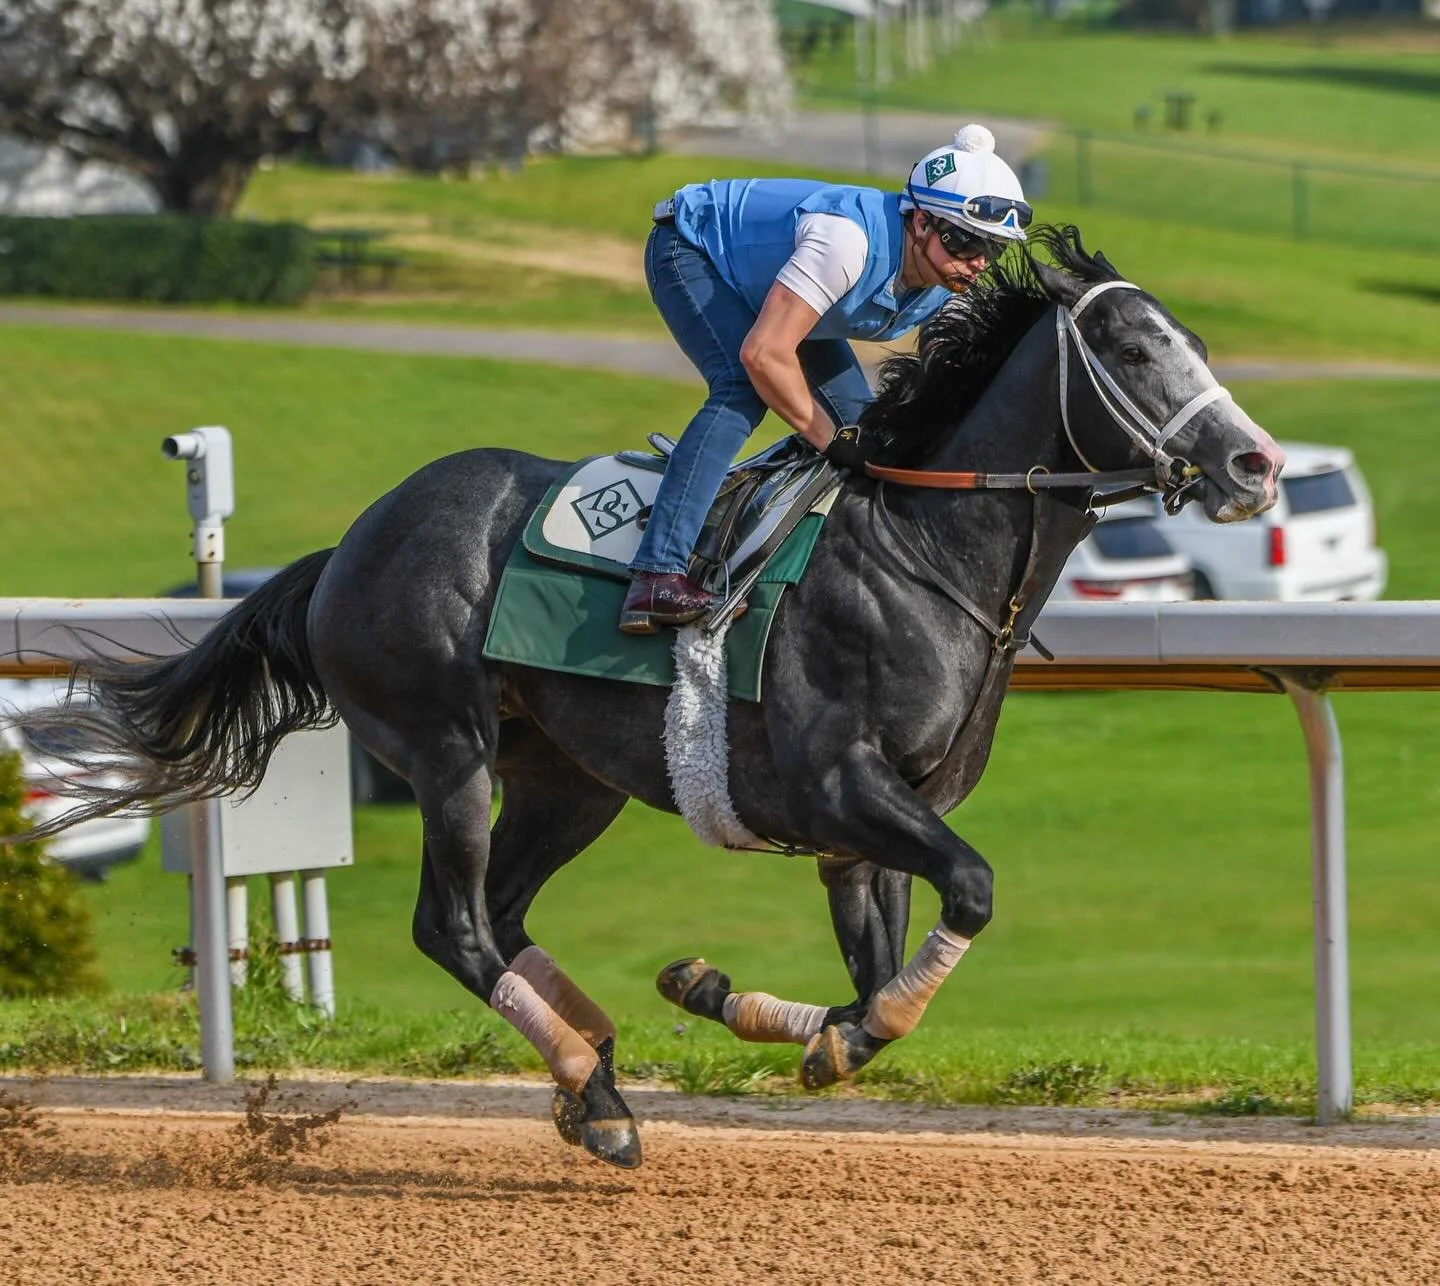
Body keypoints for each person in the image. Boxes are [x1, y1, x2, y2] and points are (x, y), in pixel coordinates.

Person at [619, 123, 1033, 636]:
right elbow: (764, 353)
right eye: (966, 242)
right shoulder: (845, 242)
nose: (977, 263)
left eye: (992, 250)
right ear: (921, 221)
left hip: (788, 288)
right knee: (742, 390)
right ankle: (657, 574)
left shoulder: (948, 279)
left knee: (870, 430)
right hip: (694, 252)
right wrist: (829, 439)